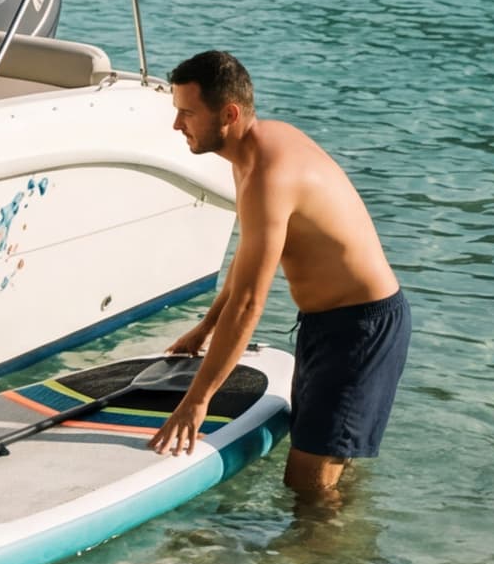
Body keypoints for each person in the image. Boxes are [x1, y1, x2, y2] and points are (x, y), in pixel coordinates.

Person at [149, 49, 408, 503]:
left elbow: (251, 303)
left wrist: (197, 401)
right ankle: (333, 546)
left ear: (228, 114)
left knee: (308, 487)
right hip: (327, 325)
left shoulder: (270, 172)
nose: (177, 126)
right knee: (323, 468)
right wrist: (206, 327)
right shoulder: (251, 151)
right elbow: (248, 258)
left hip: (360, 331)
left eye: (186, 113)